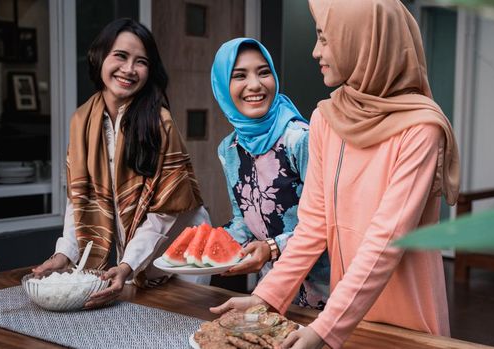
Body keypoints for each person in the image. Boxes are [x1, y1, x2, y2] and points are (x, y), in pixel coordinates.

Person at [210, 0, 461, 348]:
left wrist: (326, 327)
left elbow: (386, 240)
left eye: (325, 39)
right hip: (343, 309)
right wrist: (266, 296)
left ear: (363, 41)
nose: (316, 52)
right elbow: (313, 225)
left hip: (404, 312)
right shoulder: (327, 119)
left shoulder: (420, 129)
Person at [32, 18, 210, 308]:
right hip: (134, 257)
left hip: (183, 253)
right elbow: (78, 200)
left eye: (141, 62)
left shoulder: (159, 122)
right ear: (99, 56)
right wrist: (64, 253)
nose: (129, 69)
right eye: (121, 56)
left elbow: (164, 212)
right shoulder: (81, 122)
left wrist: (127, 265)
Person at [210, 38, 330, 309]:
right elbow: (243, 219)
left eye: (264, 72)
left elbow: (327, 221)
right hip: (270, 291)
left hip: (326, 292)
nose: (255, 85)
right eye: (239, 75)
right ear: (221, 87)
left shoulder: (300, 139)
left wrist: (272, 247)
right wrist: (213, 244)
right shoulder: (228, 149)